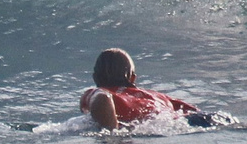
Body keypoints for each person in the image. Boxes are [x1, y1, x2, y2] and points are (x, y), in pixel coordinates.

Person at [80, 49, 212, 130]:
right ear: (132, 78)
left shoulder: (100, 93)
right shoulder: (159, 96)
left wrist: (110, 134)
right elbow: (196, 112)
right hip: (178, 121)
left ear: (95, 78)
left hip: (142, 127)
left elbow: (101, 99)